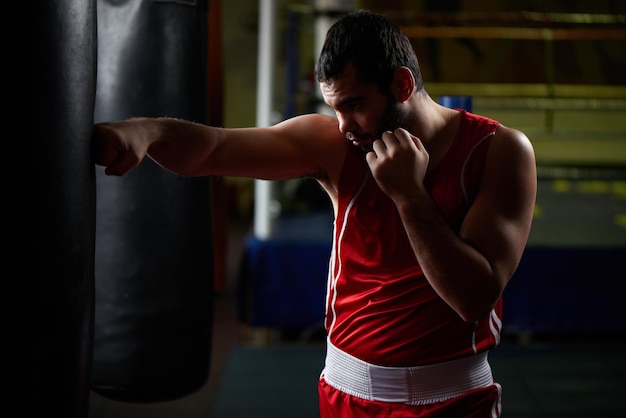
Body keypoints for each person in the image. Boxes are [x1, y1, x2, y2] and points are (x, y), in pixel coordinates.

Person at [94, 9, 536, 418]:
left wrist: (409, 196)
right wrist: (147, 131)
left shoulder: (498, 152)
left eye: (356, 104)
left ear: (402, 85)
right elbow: (216, 148)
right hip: (344, 396)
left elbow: (474, 297)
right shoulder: (336, 145)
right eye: (334, 107)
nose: (344, 124)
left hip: (451, 401)